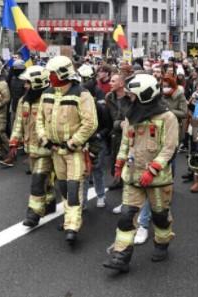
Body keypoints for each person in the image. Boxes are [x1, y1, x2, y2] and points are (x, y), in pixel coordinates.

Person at [103, 74, 178, 273]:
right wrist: (119, 161)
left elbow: (169, 148)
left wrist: (153, 169)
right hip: (133, 175)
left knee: (160, 216)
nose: (130, 99)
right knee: (127, 215)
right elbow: (127, 142)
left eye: (133, 95)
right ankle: (121, 256)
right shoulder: (131, 114)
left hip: (158, 179)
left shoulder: (167, 117)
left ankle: (162, 243)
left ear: (145, 95)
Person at [36, 56, 98, 244]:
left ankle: (72, 225)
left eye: (53, 73)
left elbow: (90, 123)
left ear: (63, 73)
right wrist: (44, 138)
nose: (50, 76)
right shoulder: (47, 93)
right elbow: (39, 119)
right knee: (62, 185)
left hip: (74, 151)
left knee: (73, 187)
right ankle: (67, 219)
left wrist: (73, 142)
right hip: (55, 150)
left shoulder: (81, 94)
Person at [5, 65, 57, 227]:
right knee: (43, 177)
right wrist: (14, 141)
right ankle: (50, 202)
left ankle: (34, 213)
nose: (25, 86)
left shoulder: (51, 100)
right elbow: (19, 122)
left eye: (28, 83)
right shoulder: (24, 101)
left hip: (46, 149)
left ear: (38, 83)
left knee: (37, 179)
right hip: (31, 148)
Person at [78, 64, 111, 208]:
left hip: (97, 141)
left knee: (97, 170)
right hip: (83, 141)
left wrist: (98, 135)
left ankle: (101, 196)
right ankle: (83, 201)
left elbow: (107, 126)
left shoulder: (99, 107)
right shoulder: (77, 106)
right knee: (83, 172)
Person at [105, 73, 133, 214]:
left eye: (113, 81)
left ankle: (128, 200)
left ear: (122, 84)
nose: (110, 83)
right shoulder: (109, 97)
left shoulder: (131, 97)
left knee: (128, 162)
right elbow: (110, 117)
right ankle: (118, 180)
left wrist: (125, 125)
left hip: (129, 134)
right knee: (116, 159)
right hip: (115, 133)